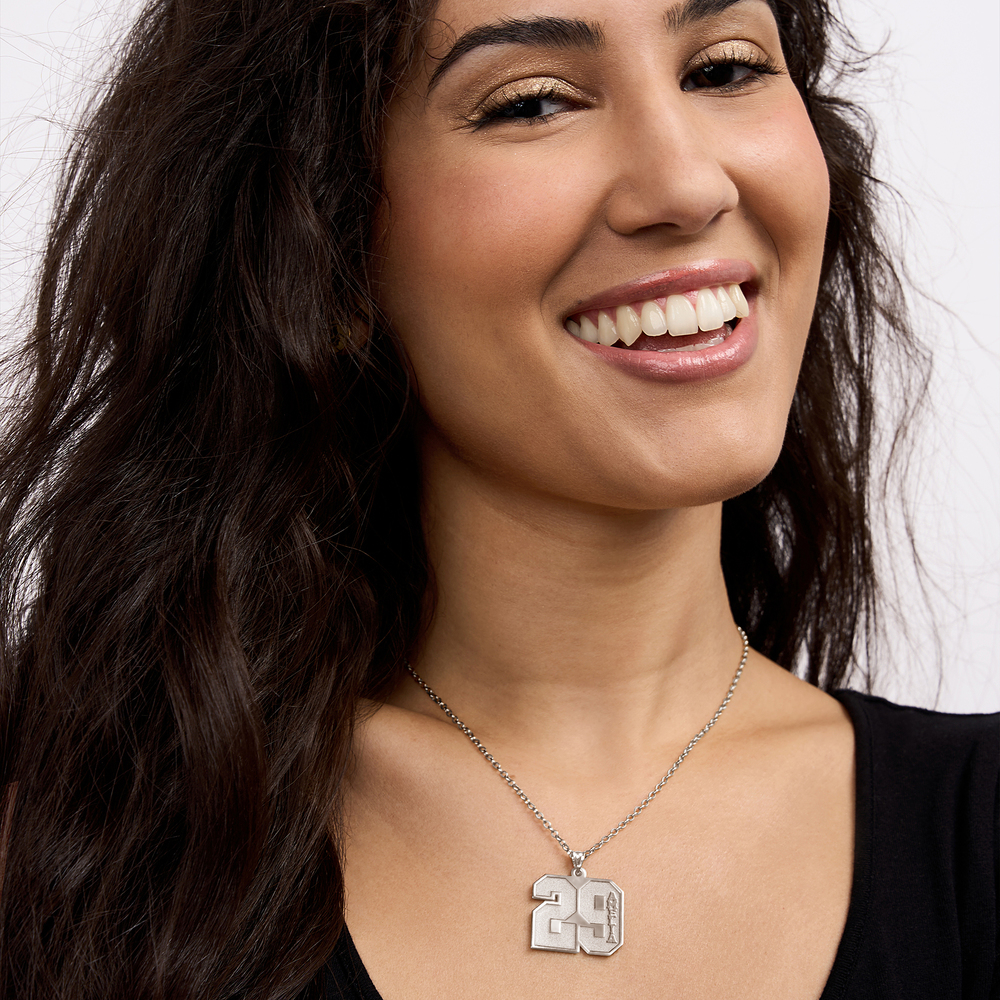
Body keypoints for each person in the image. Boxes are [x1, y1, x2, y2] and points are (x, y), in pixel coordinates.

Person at [0, 0, 995, 997]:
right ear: (329, 252)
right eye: (532, 103)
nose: (688, 185)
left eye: (723, 70)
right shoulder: (62, 859)